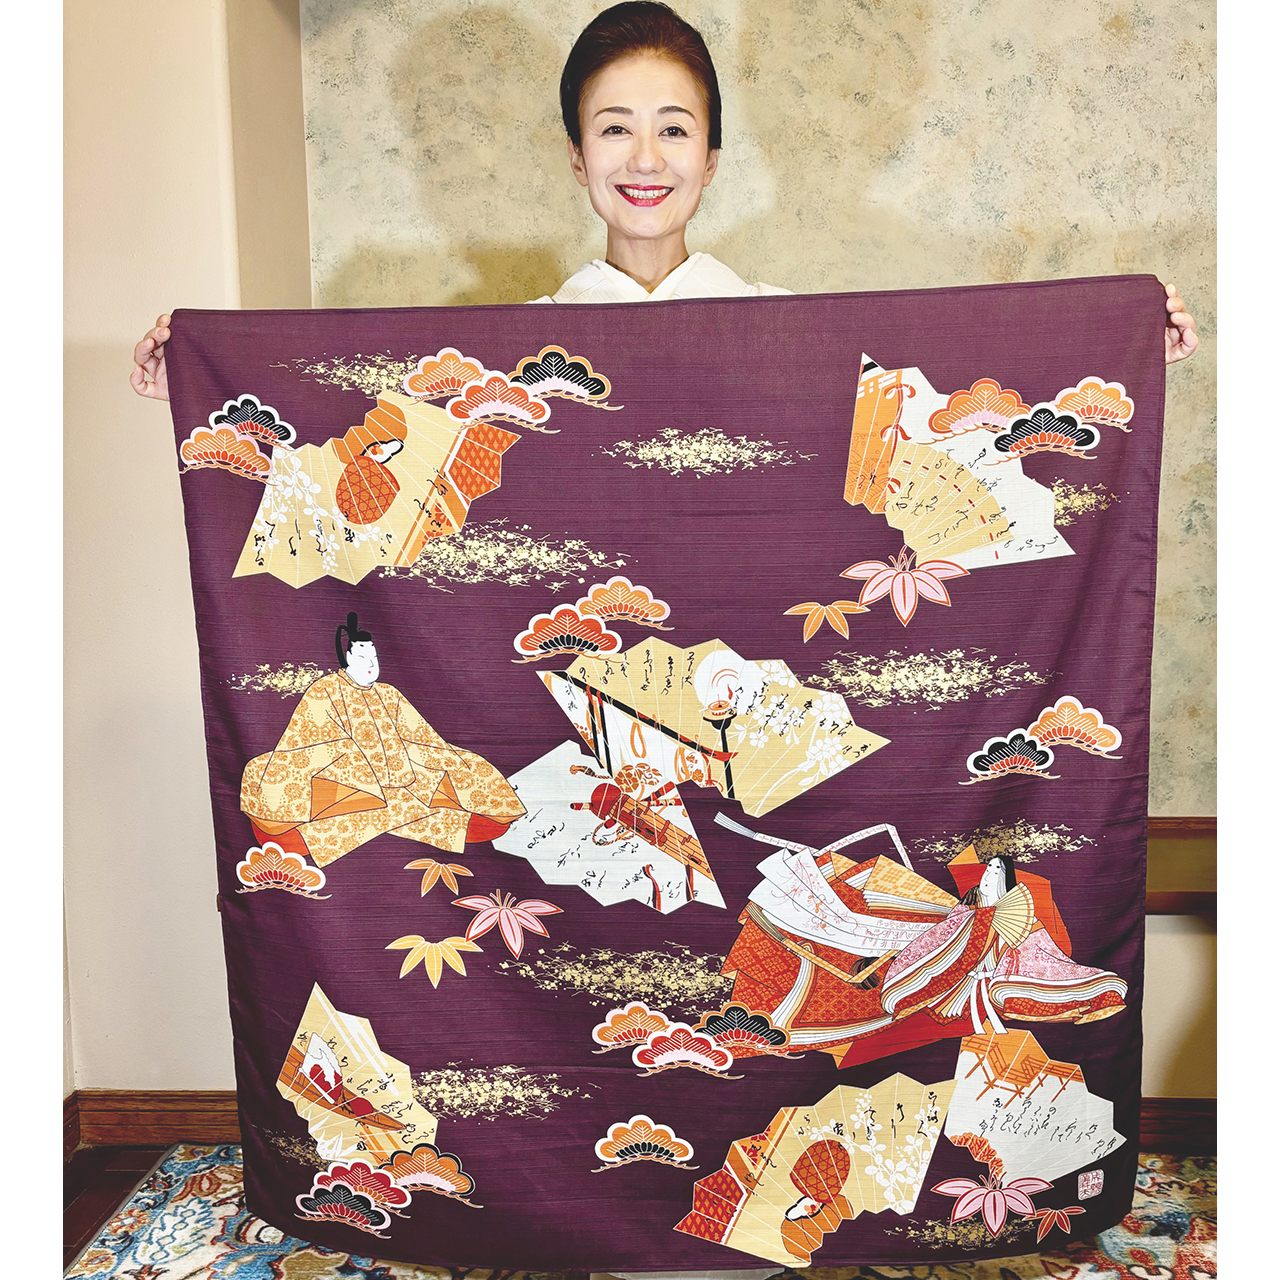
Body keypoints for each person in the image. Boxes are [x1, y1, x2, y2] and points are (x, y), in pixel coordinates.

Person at [129, 1, 1198, 397]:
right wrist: (206, 363)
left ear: (712, 158)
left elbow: (950, 399)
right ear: (575, 157)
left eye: (674, 128)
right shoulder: (513, 348)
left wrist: (1119, 344)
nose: (645, 157)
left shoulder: (789, 328)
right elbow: (351, 416)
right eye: (614, 128)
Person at [241, 613, 525, 869]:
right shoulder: (325, 690)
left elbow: (421, 736)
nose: (370, 665)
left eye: (374, 658)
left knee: (463, 763)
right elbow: (307, 740)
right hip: (347, 778)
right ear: (346, 658)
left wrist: (412, 758)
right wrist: (363, 760)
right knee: (278, 777)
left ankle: (452, 809)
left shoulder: (388, 693)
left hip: (402, 772)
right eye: (362, 658)